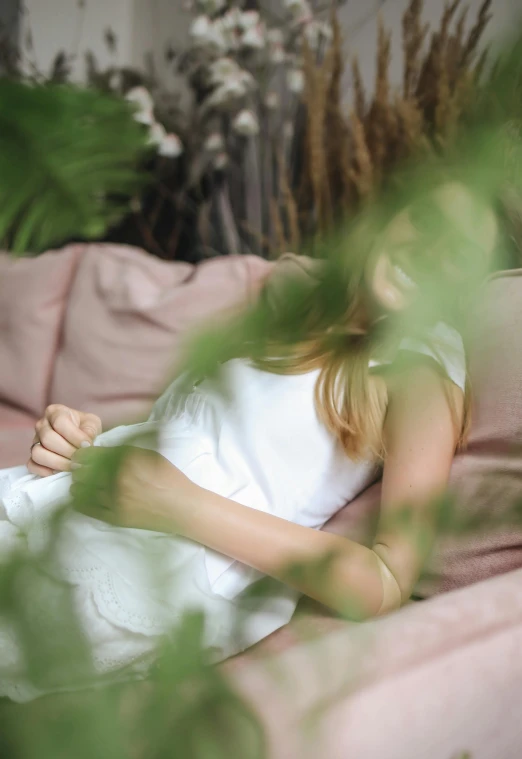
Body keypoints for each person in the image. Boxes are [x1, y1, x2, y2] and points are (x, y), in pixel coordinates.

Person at [0, 182, 499, 701]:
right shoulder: (307, 319)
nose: (431, 248)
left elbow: (386, 581)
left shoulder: (422, 369)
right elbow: (185, 440)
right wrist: (81, 437)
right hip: (83, 511)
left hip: (153, 565)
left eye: (459, 251)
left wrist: (179, 504)